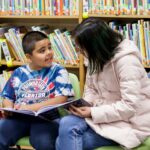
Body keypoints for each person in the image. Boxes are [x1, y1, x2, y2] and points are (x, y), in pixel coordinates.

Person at [56, 17, 150, 150]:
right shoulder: (94, 57)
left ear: (95, 46)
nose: (80, 53)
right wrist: (85, 105)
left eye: (82, 49)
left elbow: (129, 107)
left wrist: (92, 112)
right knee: (66, 123)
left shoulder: (127, 62)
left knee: (62, 141)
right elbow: (91, 88)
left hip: (129, 122)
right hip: (101, 114)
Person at [0, 31, 74, 150]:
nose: (49, 53)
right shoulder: (19, 72)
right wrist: (8, 107)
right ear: (29, 57)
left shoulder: (59, 71)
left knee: (43, 142)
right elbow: (7, 97)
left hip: (46, 119)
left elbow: (61, 99)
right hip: (20, 118)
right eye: (42, 51)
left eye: (49, 48)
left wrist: (29, 108)